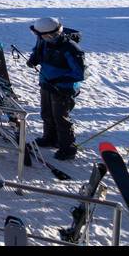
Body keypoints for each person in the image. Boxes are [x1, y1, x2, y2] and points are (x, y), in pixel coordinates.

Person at [26, 17, 85, 161]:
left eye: (44, 36)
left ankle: (67, 148)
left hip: (63, 89)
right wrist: (33, 59)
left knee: (61, 118)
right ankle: (49, 138)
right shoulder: (43, 40)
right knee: (47, 113)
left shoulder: (70, 48)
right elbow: (38, 52)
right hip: (46, 83)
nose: (41, 38)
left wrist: (59, 80)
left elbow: (79, 73)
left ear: (52, 34)